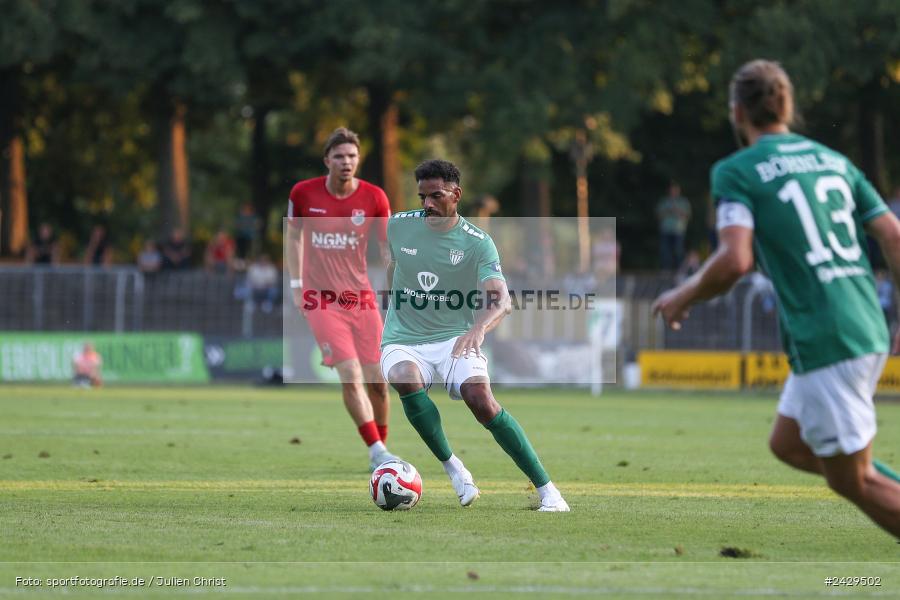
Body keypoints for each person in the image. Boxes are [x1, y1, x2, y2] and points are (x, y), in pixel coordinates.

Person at [653, 59, 900, 537]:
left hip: (828, 335)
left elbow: (735, 259)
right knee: (789, 444)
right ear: (787, 106)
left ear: (737, 112)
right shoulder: (833, 160)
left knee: (855, 479)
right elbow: (893, 234)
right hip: (862, 323)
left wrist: (684, 293)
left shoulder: (737, 171)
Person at [380, 159, 569, 511]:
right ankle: (454, 469)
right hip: (403, 336)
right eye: (422, 197)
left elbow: (502, 299)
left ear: (456, 194)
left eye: (436, 196)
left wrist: (479, 327)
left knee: (481, 401)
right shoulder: (398, 226)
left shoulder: (478, 243)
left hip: (457, 336)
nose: (427, 205)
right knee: (405, 378)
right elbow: (382, 263)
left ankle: (549, 492)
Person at [285, 127, 396, 471]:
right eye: (339, 156)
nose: (346, 162)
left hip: (360, 299)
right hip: (321, 299)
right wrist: (296, 285)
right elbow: (293, 238)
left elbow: (386, 249)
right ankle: (376, 449)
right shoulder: (303, 193)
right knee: (350, 373)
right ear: (327, 161)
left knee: (378, 381)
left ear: (358, 160)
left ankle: (382, 450)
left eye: (351, 156)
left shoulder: (375, 197)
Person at [656, 181, 691, 270]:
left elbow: (687, 216)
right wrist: (668, 210)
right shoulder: (664, 202)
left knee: (679, 251)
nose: (674, 192)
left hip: (678, 230)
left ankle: (679, 270)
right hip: (666, 229)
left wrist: (677, 210)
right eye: (672, 190)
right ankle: (666, 270)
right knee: (665, 251)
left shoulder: (683, 202)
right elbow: (659, 216)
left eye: (676, 190)